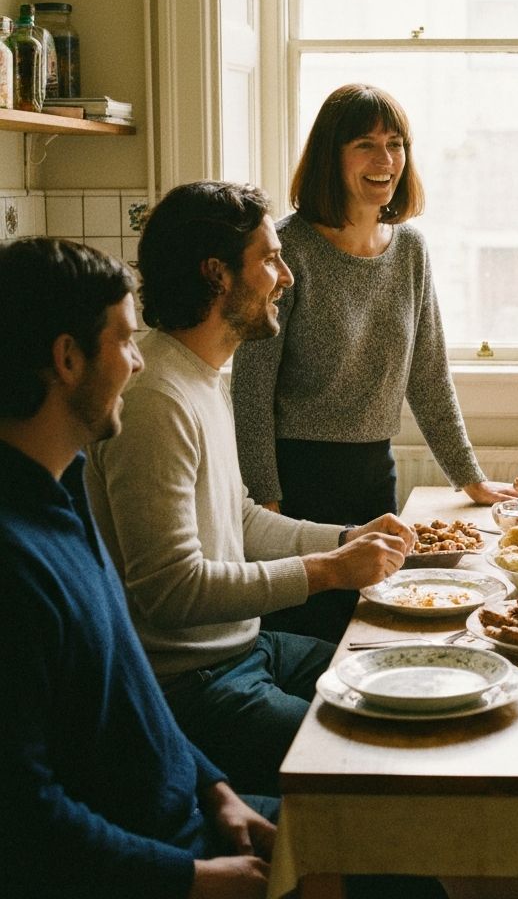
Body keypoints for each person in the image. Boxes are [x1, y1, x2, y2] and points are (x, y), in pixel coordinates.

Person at [85, 180, 415, 797]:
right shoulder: (156, 401)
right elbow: (168, 590)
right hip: (193, 686)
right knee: (377, 763)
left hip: (247, 649)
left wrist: (347, 538)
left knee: (405, 678)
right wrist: (326, 570)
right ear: (217, 276)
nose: (285, 277)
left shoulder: (202, 375)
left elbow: (236, 518)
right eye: (269, 259)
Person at [0, 237, 278, 899]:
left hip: (195, 821)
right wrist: (191, 880)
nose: (136, 363)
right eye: (124, 342)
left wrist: (216, 789)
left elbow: (133, 694)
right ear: (67, 359)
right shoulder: (13, 560)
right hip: (158, 863)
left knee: (398, 836)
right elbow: (22, 821)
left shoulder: (61, 488)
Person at [230, 83, 515, 639]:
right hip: (296, 481)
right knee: (310, 639)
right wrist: (267, 500)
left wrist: (470, 479)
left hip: (374, 474)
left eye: (395, 142)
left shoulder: (410, 249)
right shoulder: (287, 251)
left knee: (373, 629)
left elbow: (428, 373)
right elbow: (251, 390)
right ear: (331, 157)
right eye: (365, 144)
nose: (384, 160)